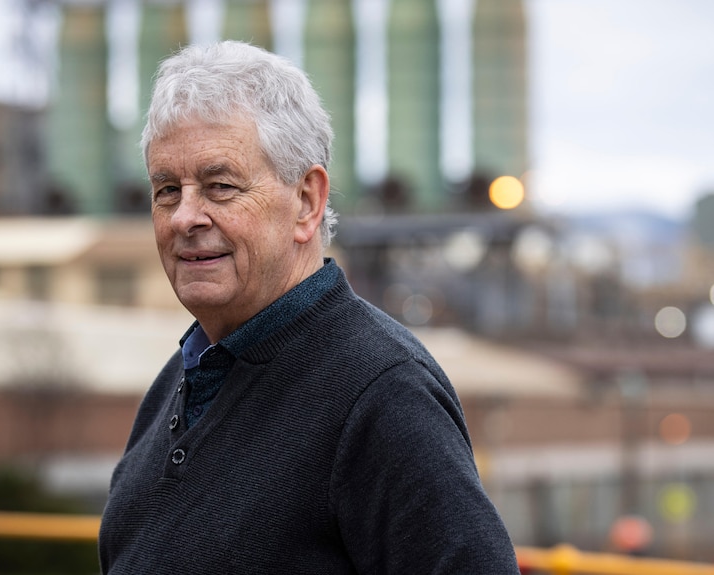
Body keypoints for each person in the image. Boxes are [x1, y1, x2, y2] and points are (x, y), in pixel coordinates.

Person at [98, 40, 520, 574]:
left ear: (307, 201)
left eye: (219, 186)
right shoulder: (177, 382)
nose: (185, 217)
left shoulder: (383, 394)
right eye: (166, 190)